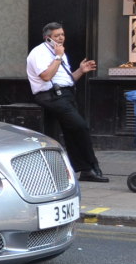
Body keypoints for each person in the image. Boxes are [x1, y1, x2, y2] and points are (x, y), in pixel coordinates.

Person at [27, 22, 109, 182]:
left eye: (62, 34)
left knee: (73, 131)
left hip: (65, 94)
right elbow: (46, 76)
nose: (61, 38)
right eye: (57, 36)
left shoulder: (61, 54)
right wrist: (57, 56)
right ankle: (91, 166)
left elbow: (67, 79)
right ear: (47, 38)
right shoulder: (39, 53)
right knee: (80, 126)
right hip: (50, 96)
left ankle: (85, 170)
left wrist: (80, 71)